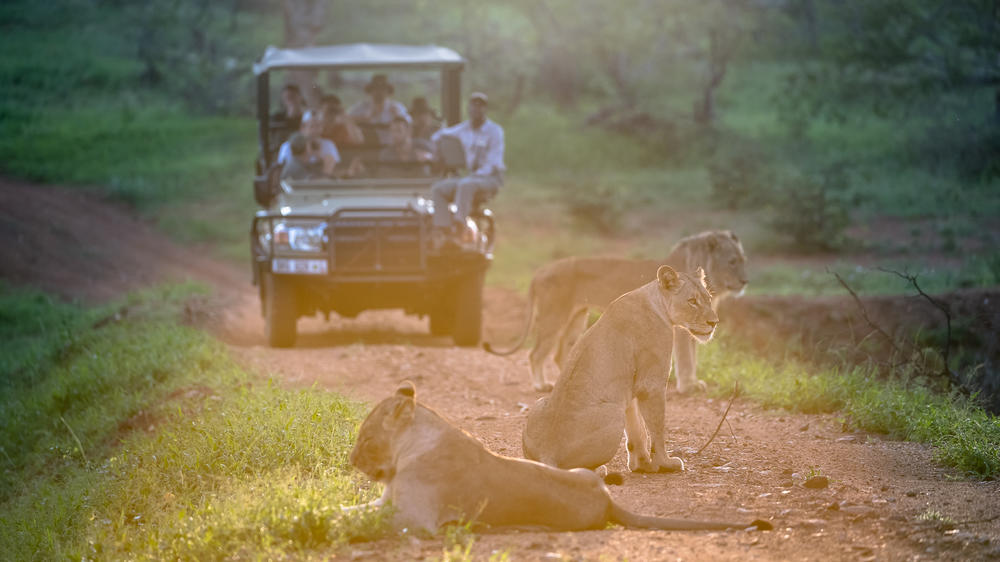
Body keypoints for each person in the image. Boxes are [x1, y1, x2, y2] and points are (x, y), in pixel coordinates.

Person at [429, 92, 505, 240]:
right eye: (473, 106)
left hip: (490, 177)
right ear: (469, 108)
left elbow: (493, 161)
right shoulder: (464, 129)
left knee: (465, 185)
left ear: (485, 109)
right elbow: (438, 136)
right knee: (438, 188)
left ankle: (460, 225)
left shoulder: (494, 131)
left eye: (480, 106)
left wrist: (474, 176)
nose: (476, 109)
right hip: (471, 178)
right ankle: (444, 230)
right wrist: (437, 153)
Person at [277, 111, 340, 177]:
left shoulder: (329, 145)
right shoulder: (287, 146)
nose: (315, 130)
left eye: (319, 125)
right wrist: (327, 168)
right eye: (312, 126)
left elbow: (337, 171)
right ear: (303, 127)